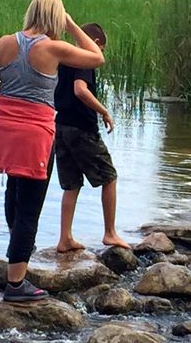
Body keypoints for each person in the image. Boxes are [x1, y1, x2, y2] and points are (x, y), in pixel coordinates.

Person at [0, 0, 105, 302]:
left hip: (2, 131)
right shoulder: (53, 47)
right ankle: (16, 283)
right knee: (30, 207)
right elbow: (97, 57)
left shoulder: (5, 43)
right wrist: (71, 25)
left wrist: (1, 85)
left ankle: (16, 250)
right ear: (55, 17)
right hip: (34, 135)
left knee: (13, 191)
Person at [54, 22, 130, 253]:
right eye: (102, 49)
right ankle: (110, 233)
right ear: (95, 43)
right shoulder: (84, 58)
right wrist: (103, 111)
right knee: (109, 176)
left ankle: (65, 238)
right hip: (82, 128)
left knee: (71, 184)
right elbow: (80, 89)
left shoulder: (63, 57)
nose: (100, 55)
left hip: (61, 126)